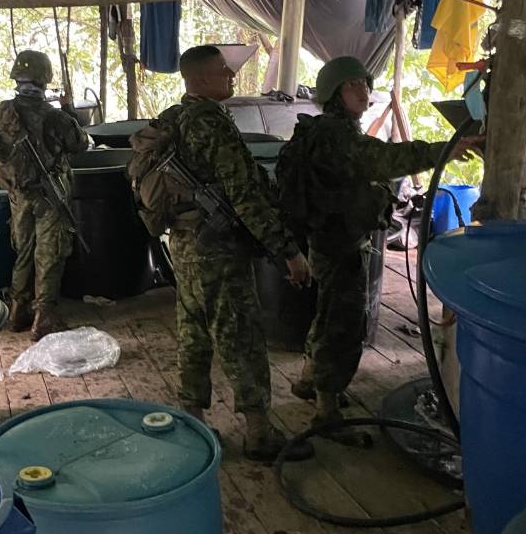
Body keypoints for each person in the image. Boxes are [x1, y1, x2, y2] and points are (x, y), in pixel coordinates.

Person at [278, 56, 481, 446]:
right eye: (352, 84)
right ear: (334, 93)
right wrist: (445, 149)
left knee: (329, 311)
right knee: (343, 324)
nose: (363, 91)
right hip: (338, 243)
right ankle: (327, 409)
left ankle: (310, 379)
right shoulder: (337, 135)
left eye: (365, 83)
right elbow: (385, 159)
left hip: (330, 239)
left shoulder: (328, 131)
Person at [161, 45, 314, 462]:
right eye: (222, 70)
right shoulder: (212, 124)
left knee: (192, 331)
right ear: (199, 79)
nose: (230, 75)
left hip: (185, 245)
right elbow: (245, 195)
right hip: (219, 251)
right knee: (240, 335)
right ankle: (259, 432)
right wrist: (287, 251)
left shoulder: (173, 118)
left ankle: (192, 421)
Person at [0, 50, 90, 340]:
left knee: (23, 250)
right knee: (50, 253)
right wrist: (69, 111)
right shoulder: (54, 116)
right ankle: (44, 317)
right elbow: (80, 144)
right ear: (45, 79)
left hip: (19, 194)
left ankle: (18, 309)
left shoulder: (1, 113)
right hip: (49, 195)